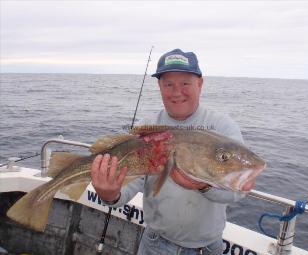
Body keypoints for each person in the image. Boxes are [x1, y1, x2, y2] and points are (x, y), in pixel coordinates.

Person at [91, 48, 256, 255]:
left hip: (207, 248)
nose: (177, 92)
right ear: (160, 86)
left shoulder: (222, 128)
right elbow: (130, 185)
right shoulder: (147, 128)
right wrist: (110, 195)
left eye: (185, 83)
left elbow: (237, 192)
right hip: (154, 244)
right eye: (168, 84)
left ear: (200, 83)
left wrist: (203, 186)